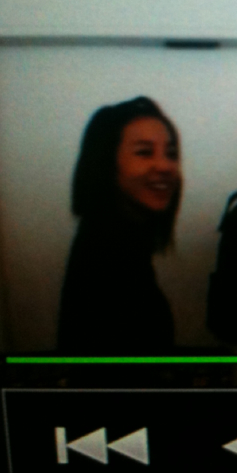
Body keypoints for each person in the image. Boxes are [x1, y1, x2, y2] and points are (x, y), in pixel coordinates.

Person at [58, 96, 182, 353]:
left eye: (170, 153)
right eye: (144, 152)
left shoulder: (120, 239)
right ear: (107, 164)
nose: (165, 166)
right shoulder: (105, 251)